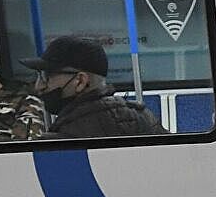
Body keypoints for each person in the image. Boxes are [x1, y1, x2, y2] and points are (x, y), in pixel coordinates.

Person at [25, 36, 167, 138]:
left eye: (46, 77)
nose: (39, 86)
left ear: (80, 81)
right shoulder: (145, 118)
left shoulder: (60, 140)